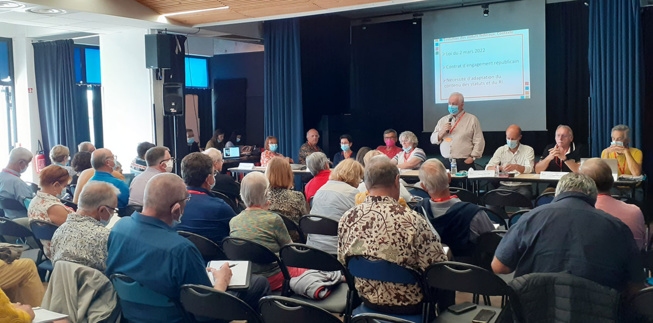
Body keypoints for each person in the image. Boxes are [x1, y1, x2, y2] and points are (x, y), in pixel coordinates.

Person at [106, 173, 270, 322]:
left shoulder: (119, 229)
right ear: (176, 209)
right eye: (187, 201)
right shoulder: (181, 250)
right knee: (258, 284)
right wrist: (222, 281)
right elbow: (208, 313)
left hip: (132, 316)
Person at [492, 173, 644, 293]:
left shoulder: (529, 218)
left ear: (557, 194)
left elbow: (499, 267)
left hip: (535, 308)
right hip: (598, 313)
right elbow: (635, 285)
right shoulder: (617, 227)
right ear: (593, 196)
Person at [338, 157, 447, 313]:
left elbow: (343, 262)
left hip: (367, 299)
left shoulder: (347, 218)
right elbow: (437, 269)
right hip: (411, 304)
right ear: (397, 181)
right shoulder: (413, 221)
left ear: (366, 184)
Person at [229, 172, 308, 291]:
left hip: (247, 278)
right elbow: (290, 251)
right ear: (267, 194)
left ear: (242, 194)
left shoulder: (234, 221)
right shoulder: (273, 219)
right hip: (274, 277)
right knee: (316, 272)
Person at [418, 159, 494, 258]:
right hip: (472, 271)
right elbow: (493, 243)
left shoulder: (417, 211)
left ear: (423, 187)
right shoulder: (473, 213)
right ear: (449, 178)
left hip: (433, 271)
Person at [50, 181, 118, 272]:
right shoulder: (105, 237)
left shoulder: (59, 231)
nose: (113, 213)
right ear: (102, 210)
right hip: (96, 285)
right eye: (113, 209)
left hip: (63, 284)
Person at [580, 158, 646, 250]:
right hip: (631, 263)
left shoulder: (580, 214)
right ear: (612, 182)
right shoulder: (635, 212)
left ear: (584, 185)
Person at [175, 152, 237, 244]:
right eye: (213, 173)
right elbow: (237, 232)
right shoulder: (220, 207)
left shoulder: (172, 205)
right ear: (208, 179)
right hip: (215, 256)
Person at [308, 159, 364, 254]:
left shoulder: (320, 190)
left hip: (313, 248)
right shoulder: (353, 193)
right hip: (337, 250)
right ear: (355, 177)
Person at [27, 165, 75, 258]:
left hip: (49, 249)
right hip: (63, 252)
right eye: (64, 186)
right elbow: (76, 229)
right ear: (56, 185)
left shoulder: (35, 201)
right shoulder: (53, 207)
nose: (64, 189)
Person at [430, 92, 485, 168]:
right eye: (449, 103)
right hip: (446, 162)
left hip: (464, 162)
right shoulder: (442, 120)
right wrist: (441, 132)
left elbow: (479, 141)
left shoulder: (472, 119)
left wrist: (472, 157)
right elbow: (433, 140)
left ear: (462, 105)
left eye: (454, 104)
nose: (451, 106)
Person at [485, 125, 535, 199]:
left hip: (523, 185)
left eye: (513, 139)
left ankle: (525, 211)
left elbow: (530, 169)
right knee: (492, 200)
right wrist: (500, 168)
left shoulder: (528, 150)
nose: (510, 141)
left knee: (524, 198)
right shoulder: (501, 150)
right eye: (508, 138)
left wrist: (516, 167)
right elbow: (488, 168)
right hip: (505, 185)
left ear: (519, 137)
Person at [265, 157, 309, 225]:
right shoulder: (297, 197)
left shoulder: (261, 199)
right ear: (289, 175)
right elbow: (305, 223)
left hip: (268, 234)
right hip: (292, 235)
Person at [0, 147, 34, 220]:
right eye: (27, 163)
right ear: (21, 163)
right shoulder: (18, 183)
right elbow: (32, 208)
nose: (27, 166)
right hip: (22, 222)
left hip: (6, 221)